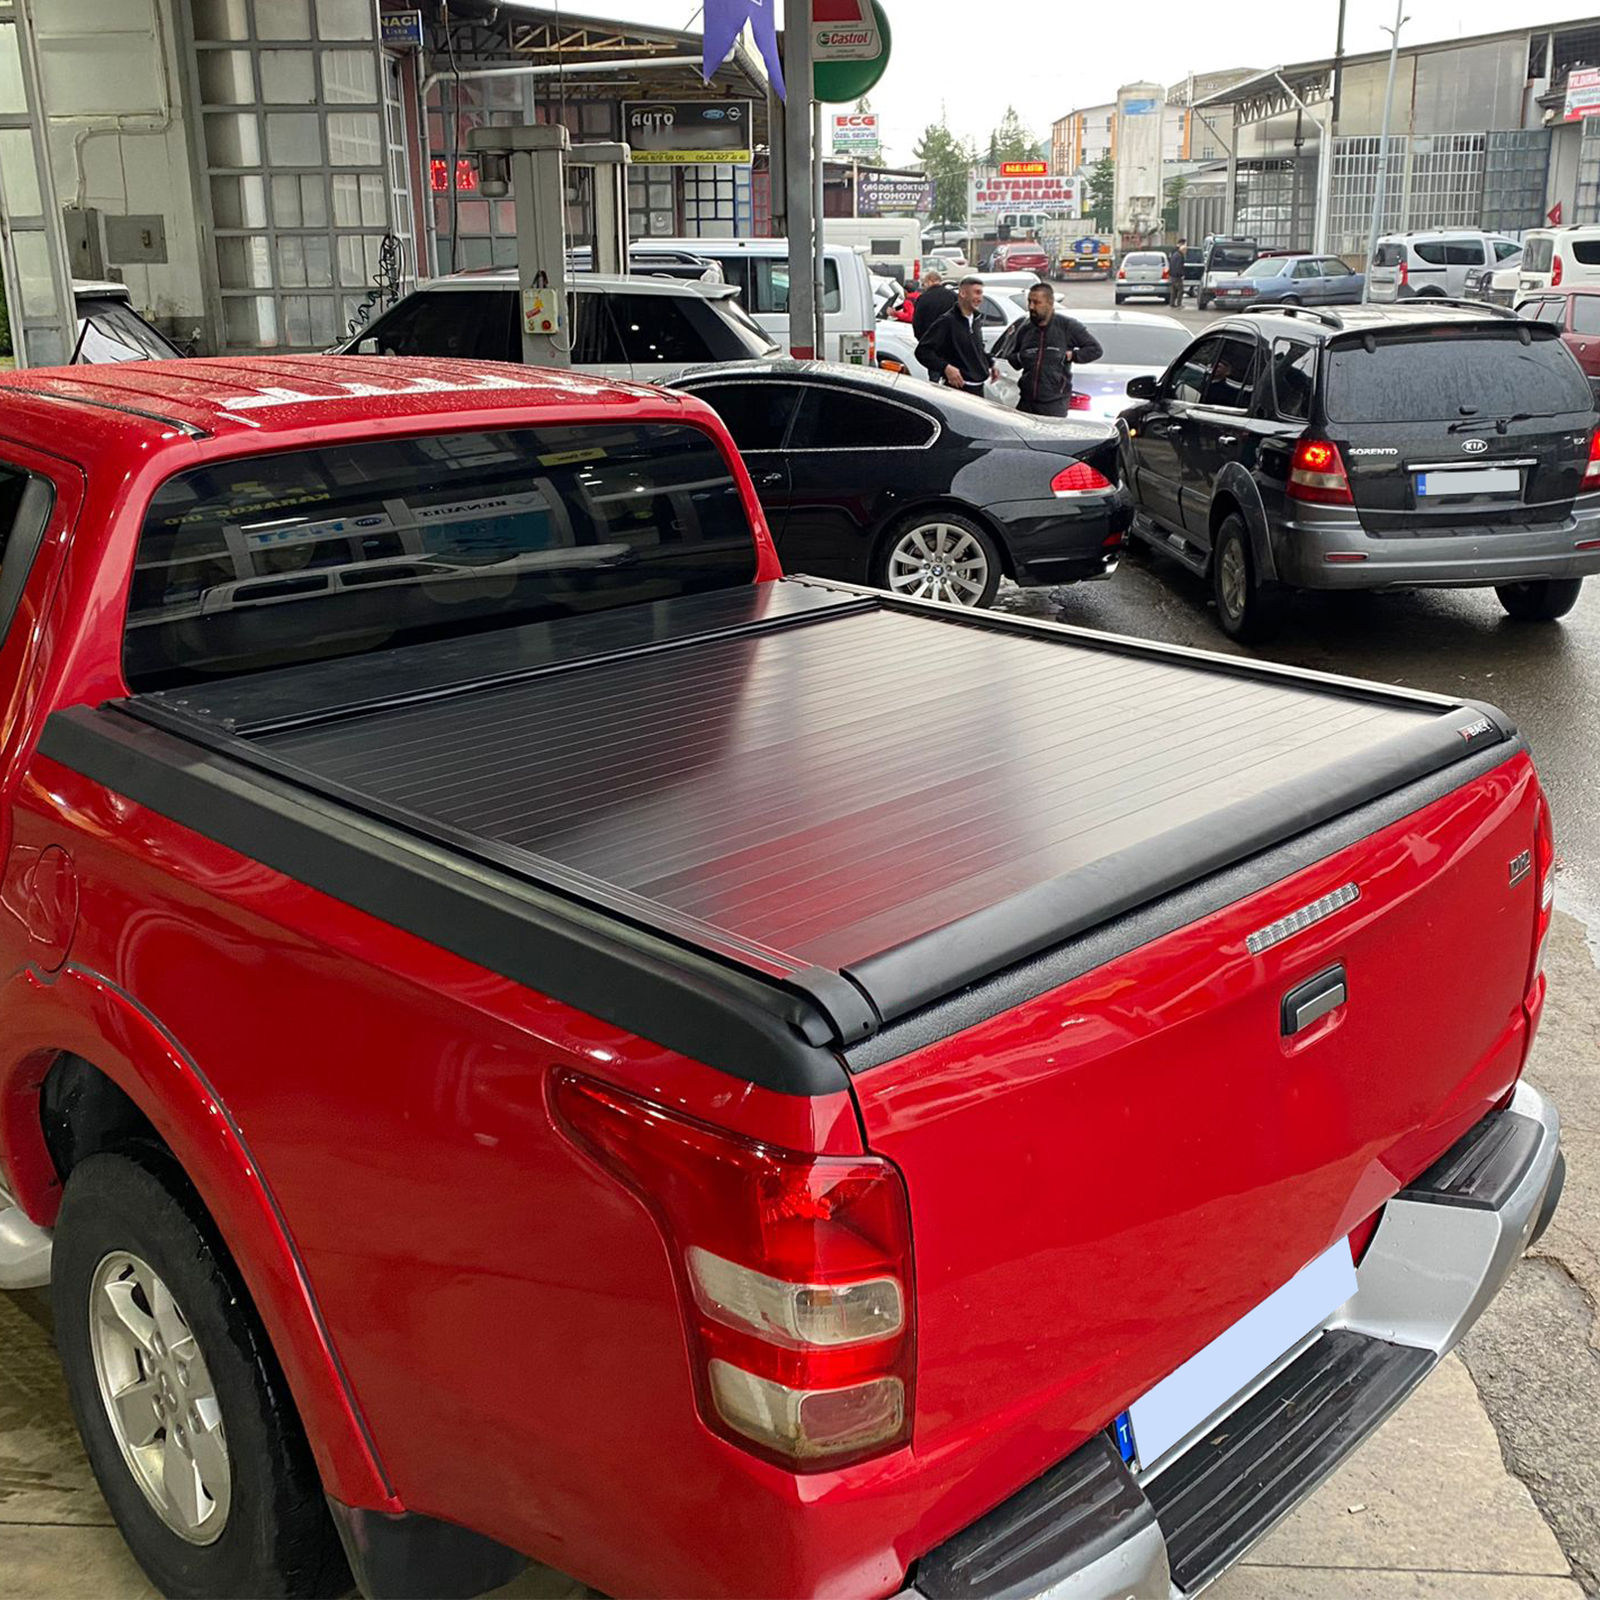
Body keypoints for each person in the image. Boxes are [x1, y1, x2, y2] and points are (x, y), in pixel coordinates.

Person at [993, 281, 1104, 417]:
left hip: (1054, 404)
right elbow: (1011, 356)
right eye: (1029, 302)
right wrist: (1022, 357)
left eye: (1037, 302)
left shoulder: (1067, 326)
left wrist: (1071, 355)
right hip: (1027, 402)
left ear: (1050, 303)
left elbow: (1095, 350)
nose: (1031, 307)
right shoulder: (1026, 328)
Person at [915, 276, 997, 398]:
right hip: (958, 390)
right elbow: (922, 351)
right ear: (963, 294)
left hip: (978, 388)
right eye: (977, 293)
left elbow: (976, 348)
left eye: (981, 294)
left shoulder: (975, 319)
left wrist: (991, 363)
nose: (980, 298)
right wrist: (946, 368)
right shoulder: (947, 321)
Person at [910, 269, 956, 338]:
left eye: (924, 283)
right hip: (950, 338)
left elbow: (917, 323)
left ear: (929, 281)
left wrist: (922, 339)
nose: (924, 286)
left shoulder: (922, 298)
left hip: (929, 338)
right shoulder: (953, 296)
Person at [1168, 237, 1188, 307]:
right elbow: (1179, 266)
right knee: (1180, 290)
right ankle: (1179, 303)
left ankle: (1172, 303)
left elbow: (1171, 264)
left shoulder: (1174, 254)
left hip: (1172, 275)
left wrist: (1170, 273)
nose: (1186, 252)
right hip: (1177, 276)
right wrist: (1181, 274)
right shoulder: (1180, 256)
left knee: (1173, 291)